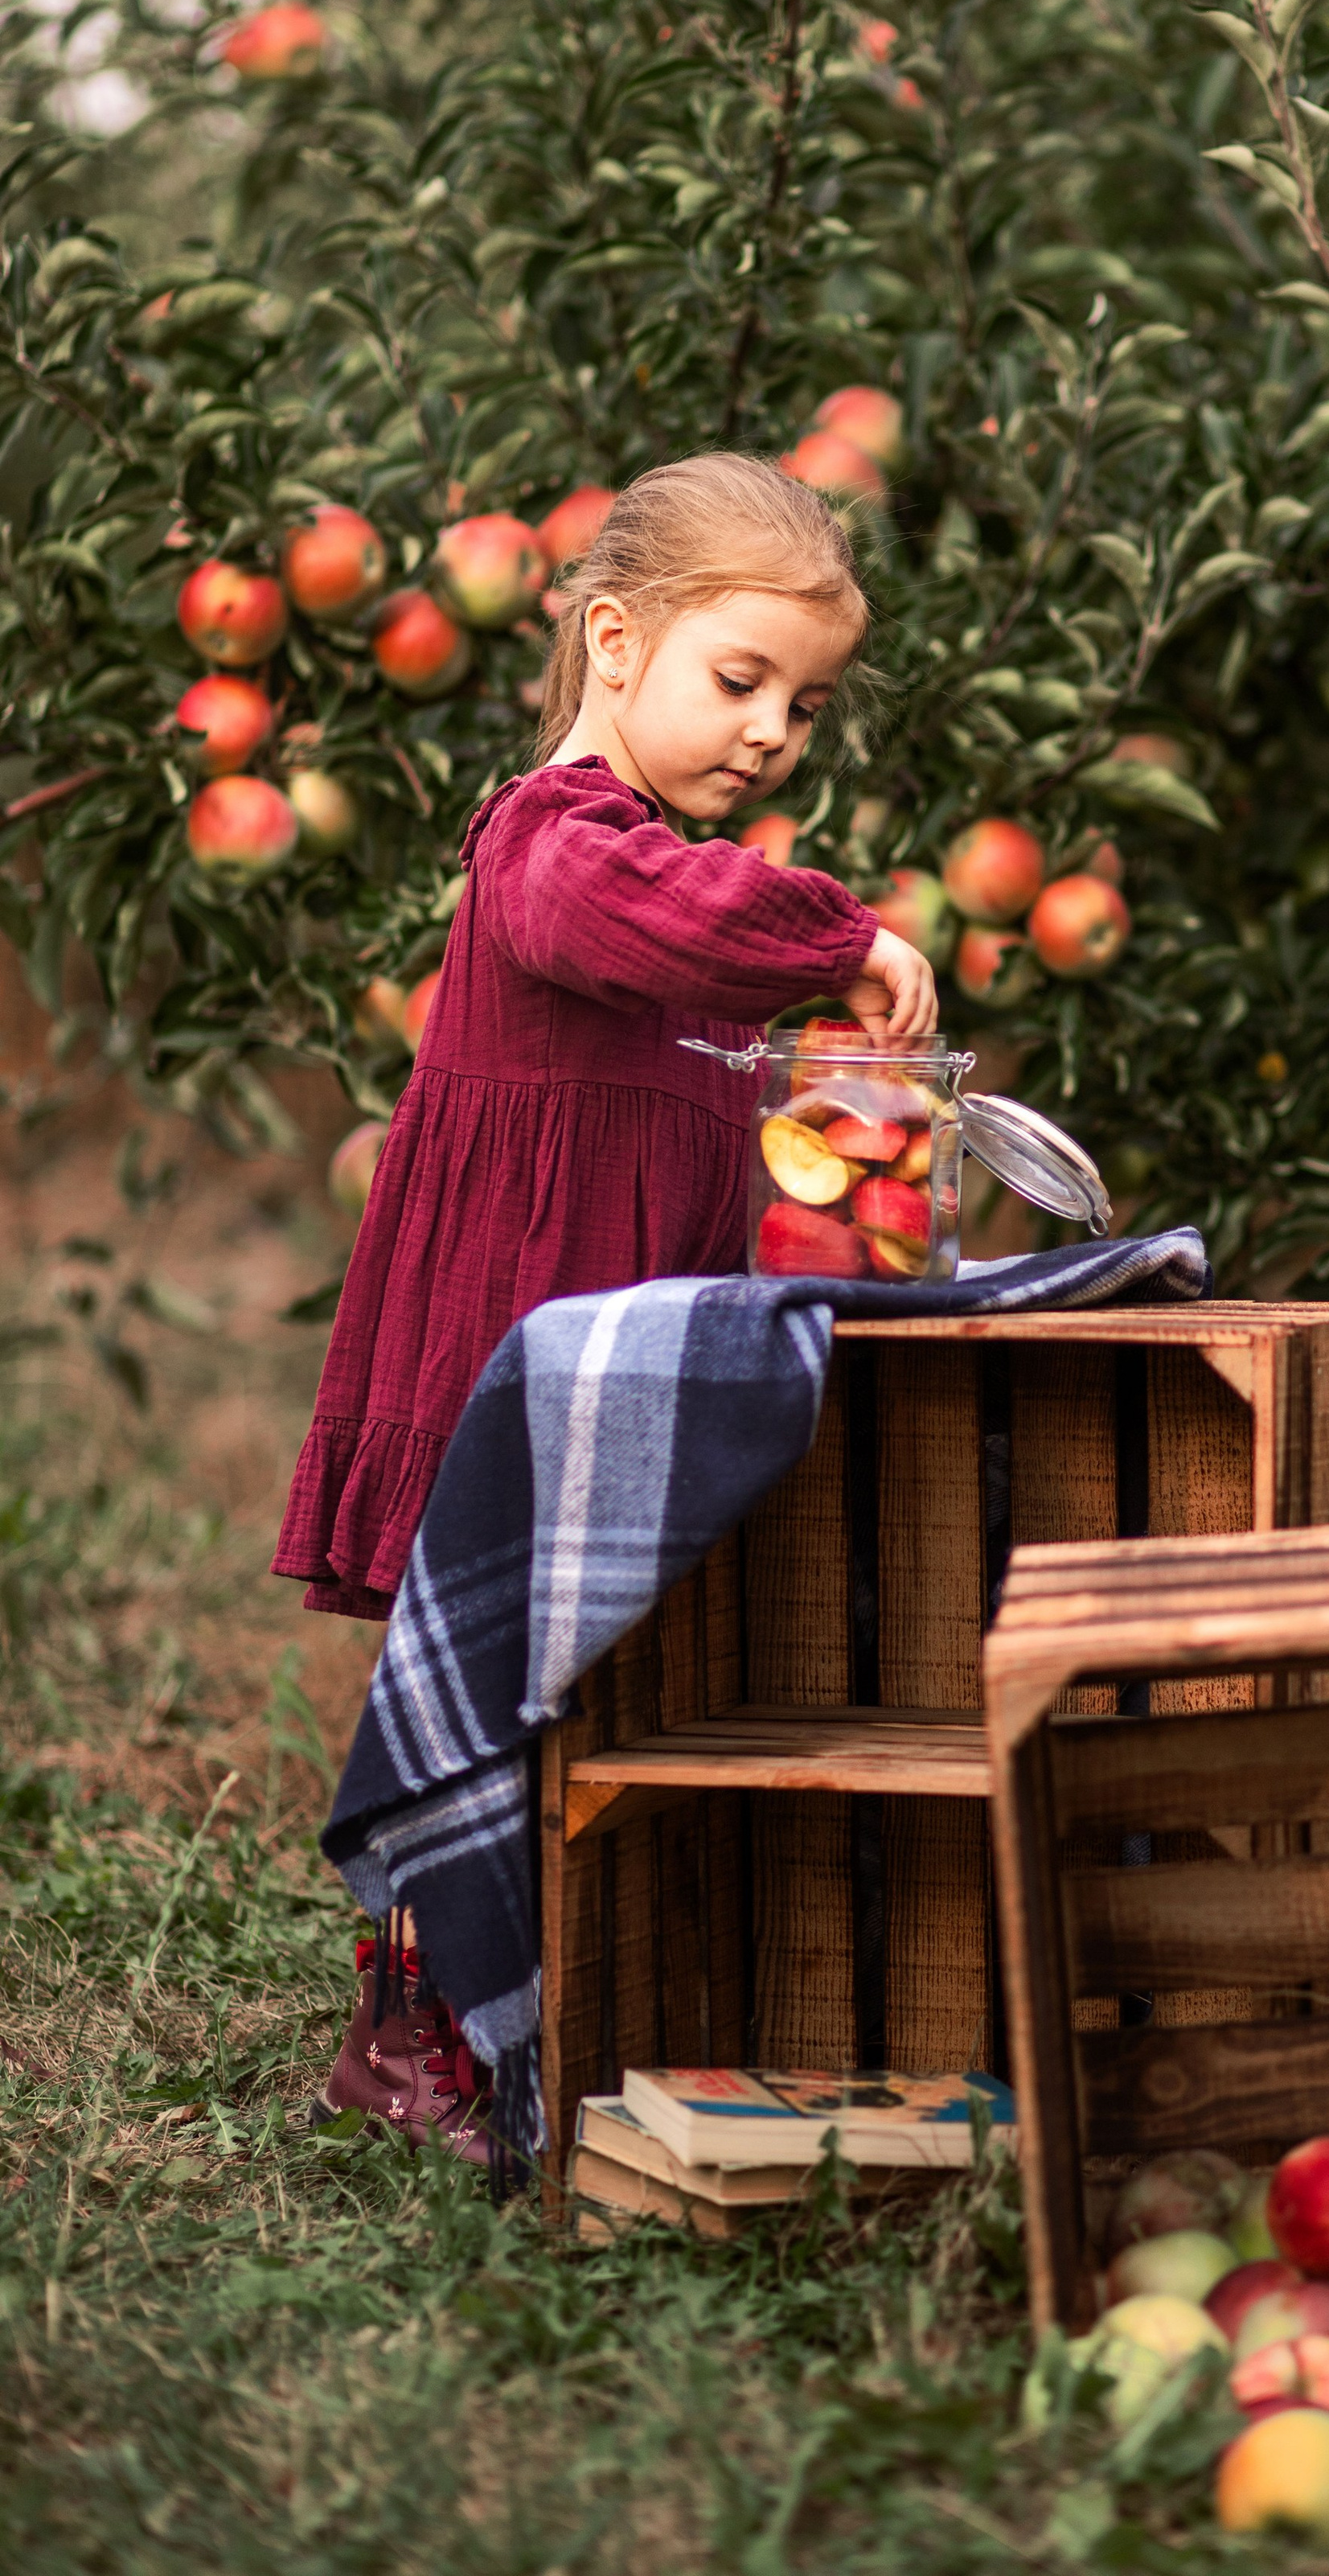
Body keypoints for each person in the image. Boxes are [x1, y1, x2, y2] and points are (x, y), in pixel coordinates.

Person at [275, 452, 936, 2153]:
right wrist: (838, 935)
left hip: (620, 1339)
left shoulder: (671, 870)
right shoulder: (553, 838)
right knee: (489, 1674)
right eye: (740, 681)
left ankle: (594, 1988)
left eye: (802, 702)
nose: (773, 730)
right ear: (616, 641)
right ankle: (412, 2017)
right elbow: (629, 919)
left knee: (599, 1680)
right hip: (513, 1326)